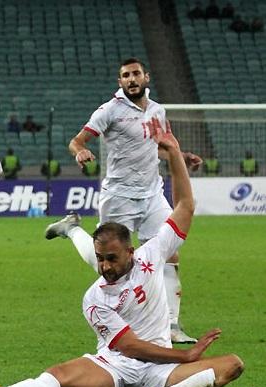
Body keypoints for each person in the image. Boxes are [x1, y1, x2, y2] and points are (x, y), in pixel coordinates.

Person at [0, 118, 244, 387]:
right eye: (100, 259)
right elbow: (130, 347)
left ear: (131, 252)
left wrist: (174, 154)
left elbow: (185, 206)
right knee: (58, 374)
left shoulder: (152, 254)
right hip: (114, 366)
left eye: (111, 259)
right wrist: (185, 355)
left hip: (162, 370)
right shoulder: (94, 298)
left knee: (232, 364)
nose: (105, 266)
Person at [66, 58, 203, 344]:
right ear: (120, 82)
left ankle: (171, 324)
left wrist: (180, 156)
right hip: (119, 196)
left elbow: (160, 147)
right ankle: (72, 230)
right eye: (126, 75)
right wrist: (80, 151)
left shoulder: (157, 111)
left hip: (152, 193)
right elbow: (77, 141)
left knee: (169, 253)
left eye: (136, 74)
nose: (131, 79)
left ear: (146, 77)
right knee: (109, 260)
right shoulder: (109, 110)